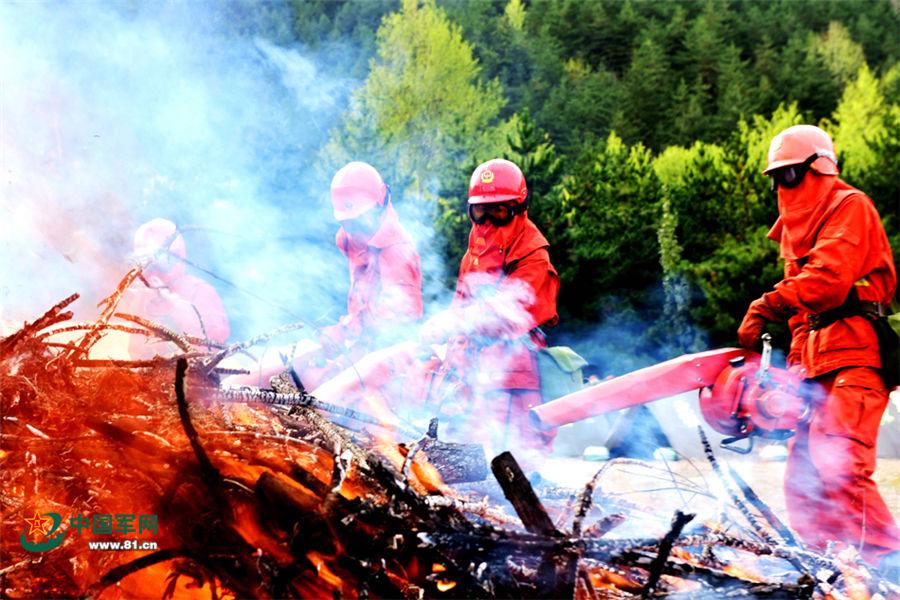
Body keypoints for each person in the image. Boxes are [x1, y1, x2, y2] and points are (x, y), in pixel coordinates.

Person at [736, 125, 900, 576]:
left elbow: (826, 283)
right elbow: (801, 313)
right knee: (803, 477)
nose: (783, 186)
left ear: (820, 168)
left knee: (840, 465)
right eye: (777, 177)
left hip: (855, 356)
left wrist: (765, 303)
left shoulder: (851, 207)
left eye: (791, 175)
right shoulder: (797, 232)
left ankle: (892, 566)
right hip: (816, 363)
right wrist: (792, 373)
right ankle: (825, 570)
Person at [418, 158, 560, 460]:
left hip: (512, 373)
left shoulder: (533, 254)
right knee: (458, 451)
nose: (488, 221)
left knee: (514, 459)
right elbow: (461, 301)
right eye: (480, 211)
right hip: (469, 367)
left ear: (519, 208)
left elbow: (506, 314)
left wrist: (451, 323)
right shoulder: (476, 246)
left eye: (499, 211)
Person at [116, 218, 230, 358]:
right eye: (146, 262)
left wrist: (176, 307)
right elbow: (136, 351)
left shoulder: (199, 291)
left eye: (159, 262)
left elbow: (214, 343)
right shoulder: (142, 301)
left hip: (196, 373)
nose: (152, 270)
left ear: (177, 259)